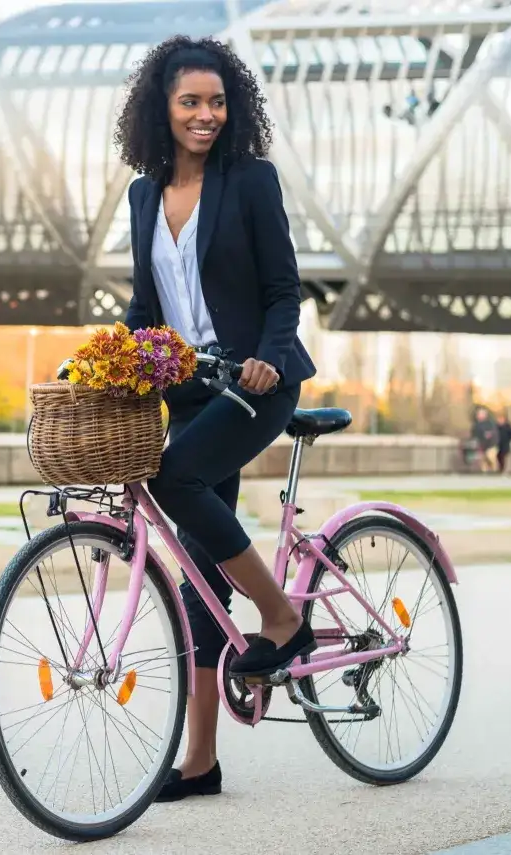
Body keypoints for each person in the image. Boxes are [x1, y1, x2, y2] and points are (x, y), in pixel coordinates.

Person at [115, 35, 318, 802]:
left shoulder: (251, 181)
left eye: (217, 102)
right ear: (161, 111)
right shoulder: (144, 195)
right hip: (195, 390)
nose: (206, 115)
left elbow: (282, 290)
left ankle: (280, 614)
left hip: (259, 380)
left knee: (174, 475)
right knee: (198, 570)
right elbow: (145, 310)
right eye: (190, 102)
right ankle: (200, 761)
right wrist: (108, 360)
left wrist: (270, 353)